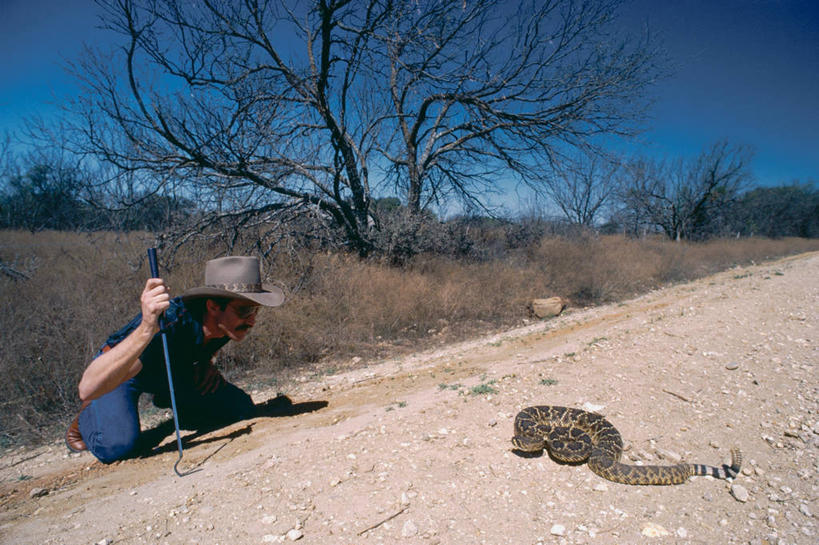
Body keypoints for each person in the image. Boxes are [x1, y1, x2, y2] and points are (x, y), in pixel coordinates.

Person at [65, 256, 285, 463]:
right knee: (120, 447)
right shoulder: (168, 324)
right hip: (122, 373)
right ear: (213, 307)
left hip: (172, 372)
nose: (252, 321)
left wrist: (205, 363)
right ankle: (87, 418)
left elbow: (203, 345)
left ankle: (176, 417)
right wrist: (146, 329)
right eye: (245, 310)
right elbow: (87, 388)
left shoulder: (224, 324)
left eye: (255, 310)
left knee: (240, 409)